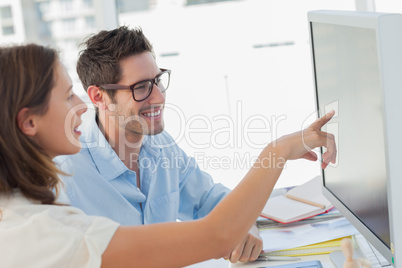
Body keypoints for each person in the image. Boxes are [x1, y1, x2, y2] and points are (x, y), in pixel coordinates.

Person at [0, 43, 336, 267]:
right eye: (67, 95)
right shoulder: (48, 214)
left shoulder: (158, 146)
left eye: (158, 81)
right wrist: (276, 152)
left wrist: (246, 224)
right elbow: (216, 235)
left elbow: (210, 199)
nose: (158, 97)